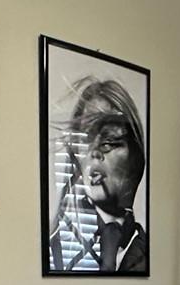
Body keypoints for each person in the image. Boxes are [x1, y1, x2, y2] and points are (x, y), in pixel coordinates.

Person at [49, 77, 147, 273]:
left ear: (135, 155)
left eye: (109, 141)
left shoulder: (147, 250)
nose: (94, 153)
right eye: (85, 140)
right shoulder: (56, 248)